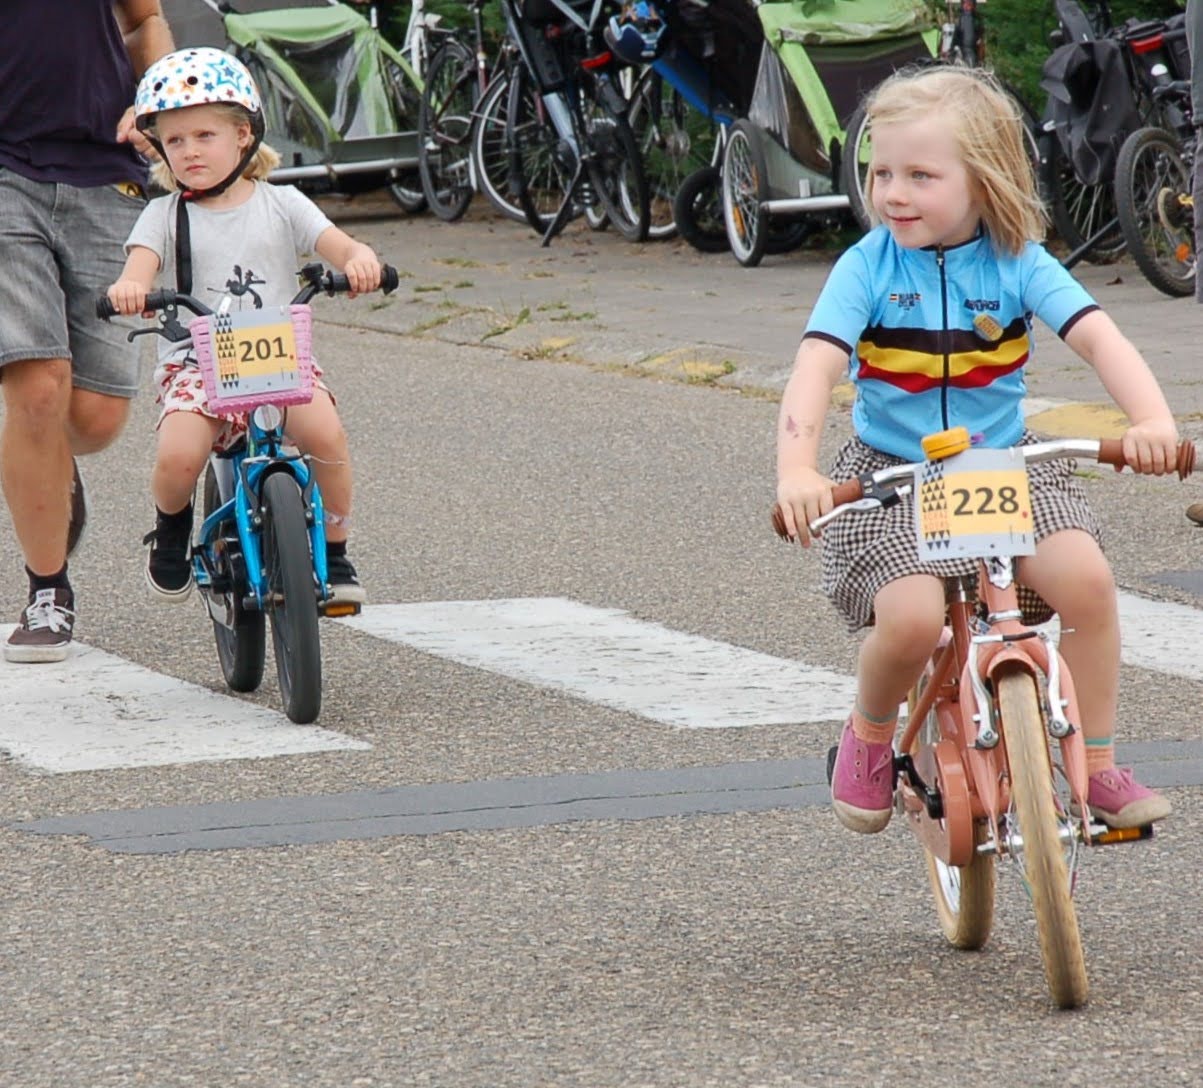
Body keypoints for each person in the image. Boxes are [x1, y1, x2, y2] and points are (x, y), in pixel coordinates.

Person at [774, 66, 1175, 835]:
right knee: (910, 620)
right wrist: (797, 470)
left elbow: (1101, 340)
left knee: (1087, 585)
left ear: (984, 180)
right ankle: (869, 735)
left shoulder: (1019, 261)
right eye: (881, 173)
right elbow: (815, 367)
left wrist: (1151, 420)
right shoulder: (866, 267)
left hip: (1001, 462)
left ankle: (1095, 765)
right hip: (892, 473)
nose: (893, 193)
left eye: (920, 176)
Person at [105, 47, 382, 605]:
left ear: (243, 135)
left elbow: (339, 244)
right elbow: (138, 267)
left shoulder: (283, 204)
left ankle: (335, 549)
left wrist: (359, 260)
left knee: (326, 436)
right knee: (179, 453)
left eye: (204, 135)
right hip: (197, 362)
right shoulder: (163, 215)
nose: (189, 151)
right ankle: (172, 528)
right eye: (175, 140)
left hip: (277, 356)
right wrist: (130, 288)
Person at [0, 1, 174, 663]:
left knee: (96, 418)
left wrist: (159, 108)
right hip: (6, 175)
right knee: (38, 387)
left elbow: (144, 21)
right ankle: (47, 590)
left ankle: (44, 460)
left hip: (108, 175)